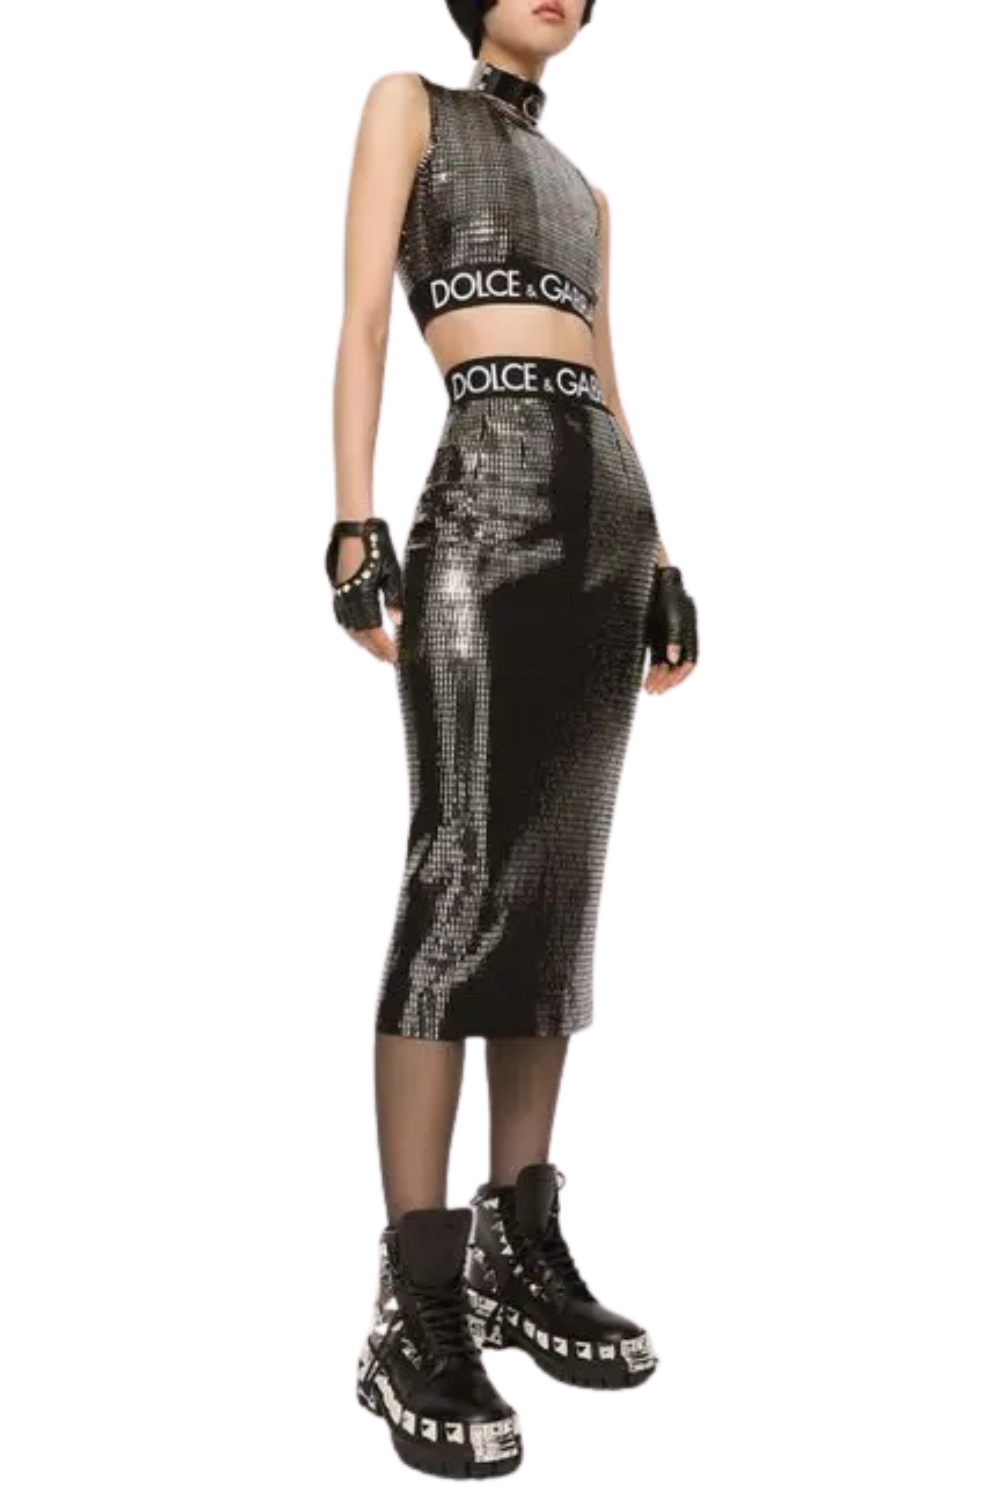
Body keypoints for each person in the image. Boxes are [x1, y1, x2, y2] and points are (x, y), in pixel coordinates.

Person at [327, 0, 699, 1479]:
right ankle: (416, 1298)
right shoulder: (409, 104)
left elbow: (605, 379)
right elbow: (364, 317)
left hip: (604, 517)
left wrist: (661, 552)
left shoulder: (589, 194)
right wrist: (352, 520)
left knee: (556, 879)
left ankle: (518, 1245)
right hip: (480, 499)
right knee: (462, 869)